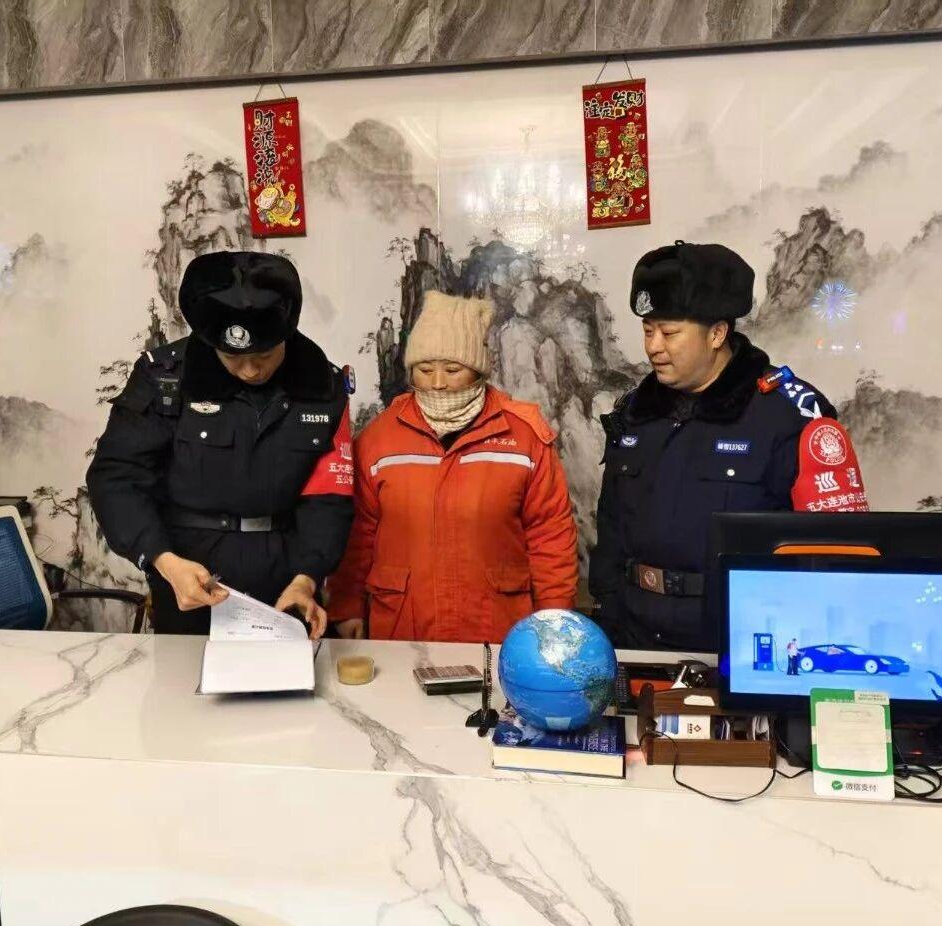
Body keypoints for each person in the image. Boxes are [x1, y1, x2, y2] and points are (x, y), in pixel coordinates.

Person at [591, 241, 868, 652]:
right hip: (636, 638)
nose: (653, 347)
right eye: (648, 331)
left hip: (740, 642)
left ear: (717, 333)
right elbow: (612, 527)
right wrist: (609, 615)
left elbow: (838, 552)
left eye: (669, 333)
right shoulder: (634, 412)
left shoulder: (792, 414)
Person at [87, 251, 354, 637]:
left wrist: (307, 578)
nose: (250, 370)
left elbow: (328, 497)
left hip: (287, 581)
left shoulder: (322, 386)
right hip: (189, 579)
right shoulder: (165, 380)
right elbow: (116, 478)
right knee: (185, 676)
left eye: (264, 354)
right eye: (232, 356)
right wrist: (164, 561)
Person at [328, 291, 578, 643]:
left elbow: (550, 539)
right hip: (403, 630)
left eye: (452, 369)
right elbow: (357, 535)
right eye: (424, 369)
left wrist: (555, 621)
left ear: (478, 370)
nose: (437, 382)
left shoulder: (524, 439)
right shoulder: (378, 441)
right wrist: (346, 605)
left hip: (500, 631)